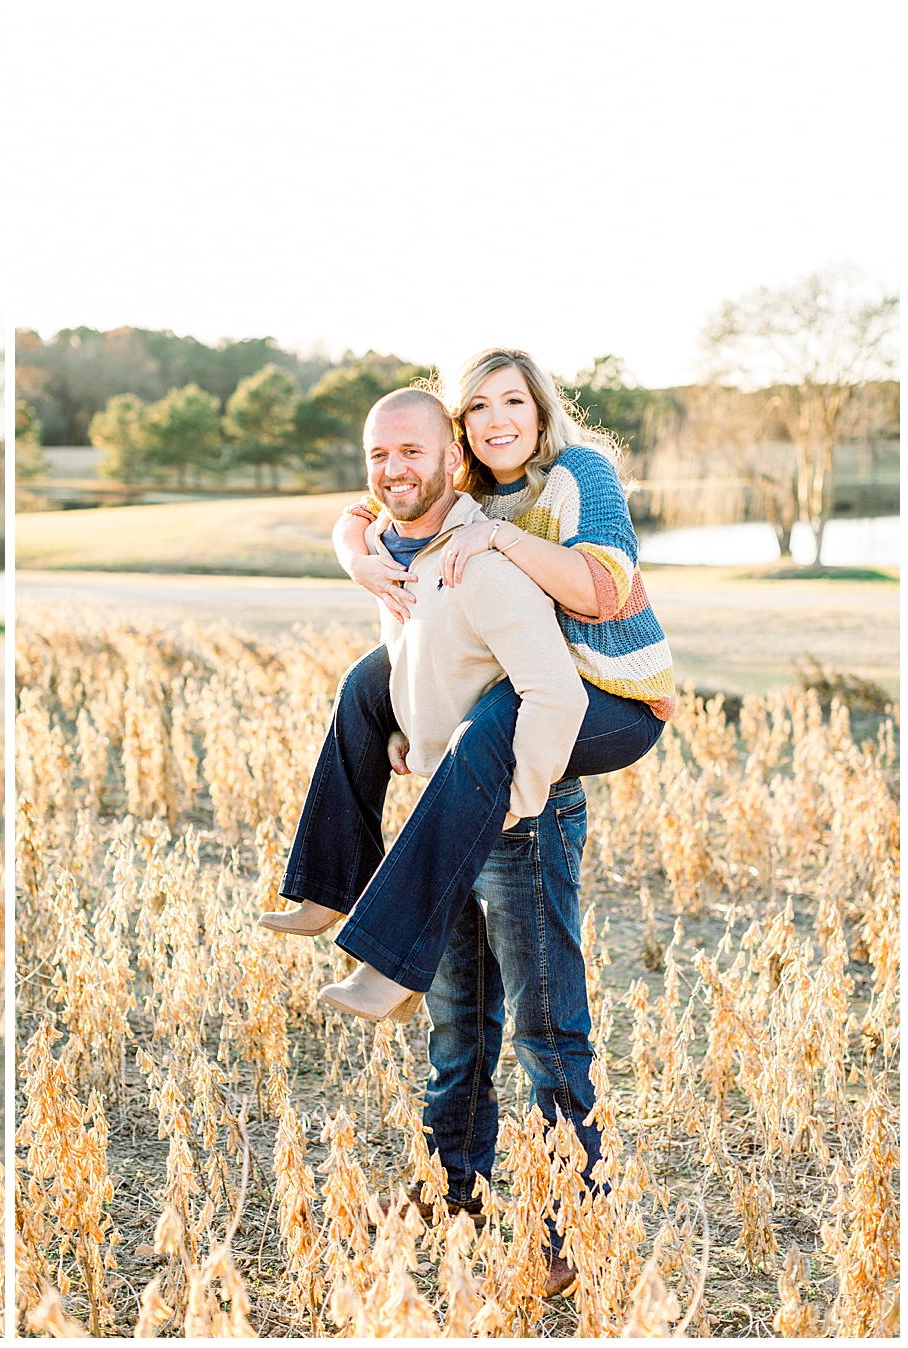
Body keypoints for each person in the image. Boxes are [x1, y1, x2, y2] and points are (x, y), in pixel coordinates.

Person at [292, 386, 602, 1297]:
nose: (394, 470)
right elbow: (425, 667)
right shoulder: (412, 561)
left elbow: (559, 697)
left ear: (453, 460)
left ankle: (570, 1230)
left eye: (412, 453)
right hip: (444, 811)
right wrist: (406, 734)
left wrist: (514, 803)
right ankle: (452, 1188)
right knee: (459, 1031)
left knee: (549, 1039)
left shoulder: (484, 562)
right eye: (378, 455)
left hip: (518, 822)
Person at [269, 348, 673, 1019]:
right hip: (528, 676)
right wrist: (357, 562)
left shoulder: (580, 473)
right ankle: (327, 882)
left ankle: (390, 963)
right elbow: (361, 513)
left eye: (513, 401)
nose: (497, 419)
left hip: (614, 695)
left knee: (482, 739)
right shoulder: (471, 483)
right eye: (479, 406)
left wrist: (497, 540)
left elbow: (604, 591)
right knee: (366, 681)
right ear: (460, 435)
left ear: (541, 410)